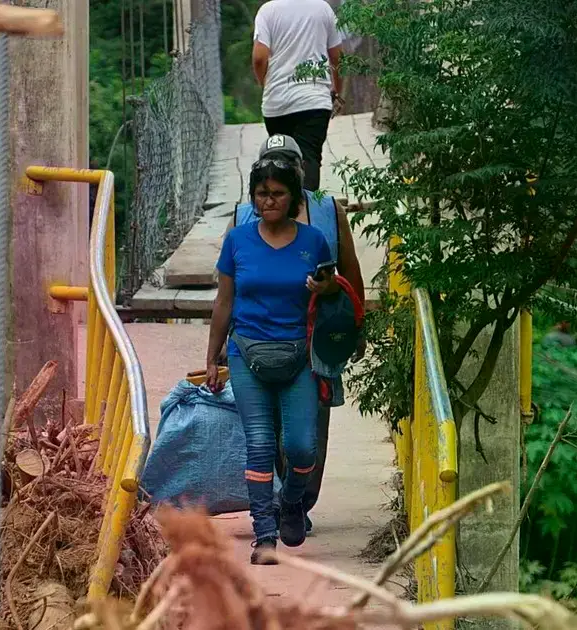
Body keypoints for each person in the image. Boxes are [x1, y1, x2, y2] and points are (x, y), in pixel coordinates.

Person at [227, 135, 367, 536]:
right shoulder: (242, 217)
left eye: (286, 162)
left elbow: (349, 268)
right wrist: (222, 345)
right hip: (257, 339)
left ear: (299, 170)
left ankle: (300, 500)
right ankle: (278, 501)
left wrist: (356, 325)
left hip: (313, 338)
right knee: (265, 427)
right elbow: (229, 286)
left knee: (310, 425)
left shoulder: (326, 210)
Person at [206, 157, 337, 565]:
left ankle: (292, 503)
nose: (269, 201)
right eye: (262, 194)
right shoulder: (237, 240)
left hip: (299, 355)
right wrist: (212, 357)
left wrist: (326, 286)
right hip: (248, 354)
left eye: (278, 193)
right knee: (260, 445)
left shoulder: (313, 241)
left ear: (294, 198)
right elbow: (224, 300)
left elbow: (332, 294)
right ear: (253, 197)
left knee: (301, 446)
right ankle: (264, 534)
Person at [252, 0, 345, 190]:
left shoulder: (267, 11)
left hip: (277, 103)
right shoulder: (322, 8)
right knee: (309, 157)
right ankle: (307, 213)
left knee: (281, 160)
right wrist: (337, 89)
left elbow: (259, 58)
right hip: (314, 100)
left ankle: (283, 214)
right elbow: (338, 57)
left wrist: (266, 84)